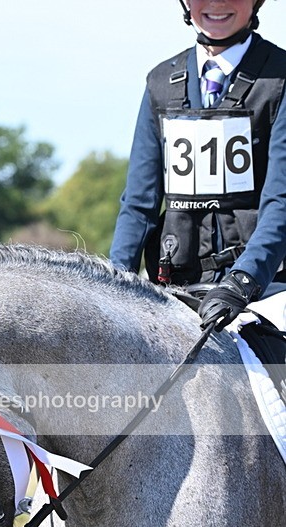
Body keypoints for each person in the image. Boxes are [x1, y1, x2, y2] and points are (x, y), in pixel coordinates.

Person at [110, 0, 286, 331]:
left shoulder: (281, 77)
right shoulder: (160, 82)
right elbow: (138, 205)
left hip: (268, 291)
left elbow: (282, 200)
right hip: (176, 291)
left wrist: (242, 282)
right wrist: (110, 285)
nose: (216, 3)